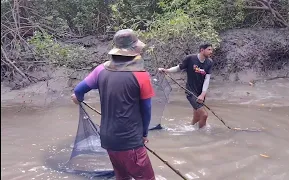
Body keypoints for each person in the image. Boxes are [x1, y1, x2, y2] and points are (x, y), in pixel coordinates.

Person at [71, 29, 156, 180]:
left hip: (108, 140)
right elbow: (147, 110)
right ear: (133, 51)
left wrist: (78, 98)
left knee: (122, 177)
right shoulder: (142, 75)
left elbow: (78, 90)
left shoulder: (100, 70)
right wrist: (144, 134)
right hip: (130, 142)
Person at [158, 43, 213, 129]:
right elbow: (178, 68)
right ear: (202, 50)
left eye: (211, 50)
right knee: (204, 115)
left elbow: (207, 79)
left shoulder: (209, 62)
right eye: (209, 50)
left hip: (201, 92)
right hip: (191, 91)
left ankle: (189, 130)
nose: (211, 52)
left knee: (197, 116)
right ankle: (202, 134)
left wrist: (203, 94)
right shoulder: (190, 58)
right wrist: (166, 70)